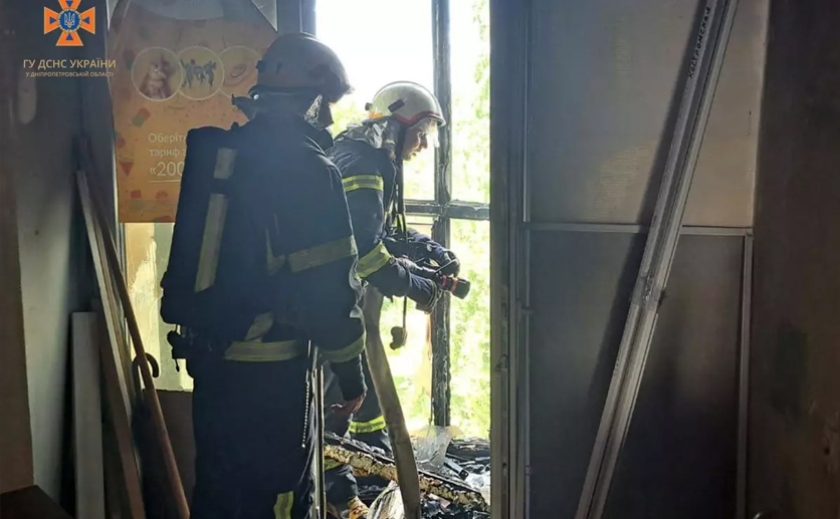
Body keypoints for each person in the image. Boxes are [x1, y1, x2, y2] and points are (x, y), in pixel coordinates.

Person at [159, 32, 368, 519]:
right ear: (313, 101)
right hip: (270, 381)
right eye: (328, 104)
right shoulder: (309, 169)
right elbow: (329, 292)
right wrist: (351, 375)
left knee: (219, 493)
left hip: (213, 369)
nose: (330, 119)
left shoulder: (229, 155)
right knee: (276, 499)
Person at [321, 81, 460, 519]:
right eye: (420, 134)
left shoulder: (368, 156)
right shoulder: (363, 165)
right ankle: (342, 498)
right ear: (396, 127)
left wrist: (428, 250)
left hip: (342, 302)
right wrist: (419, 287)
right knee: (335, 407)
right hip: (328, 307)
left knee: (364, 397)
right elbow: (367, 255)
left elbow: (380, 230)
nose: (423, 145)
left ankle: (375, 475)